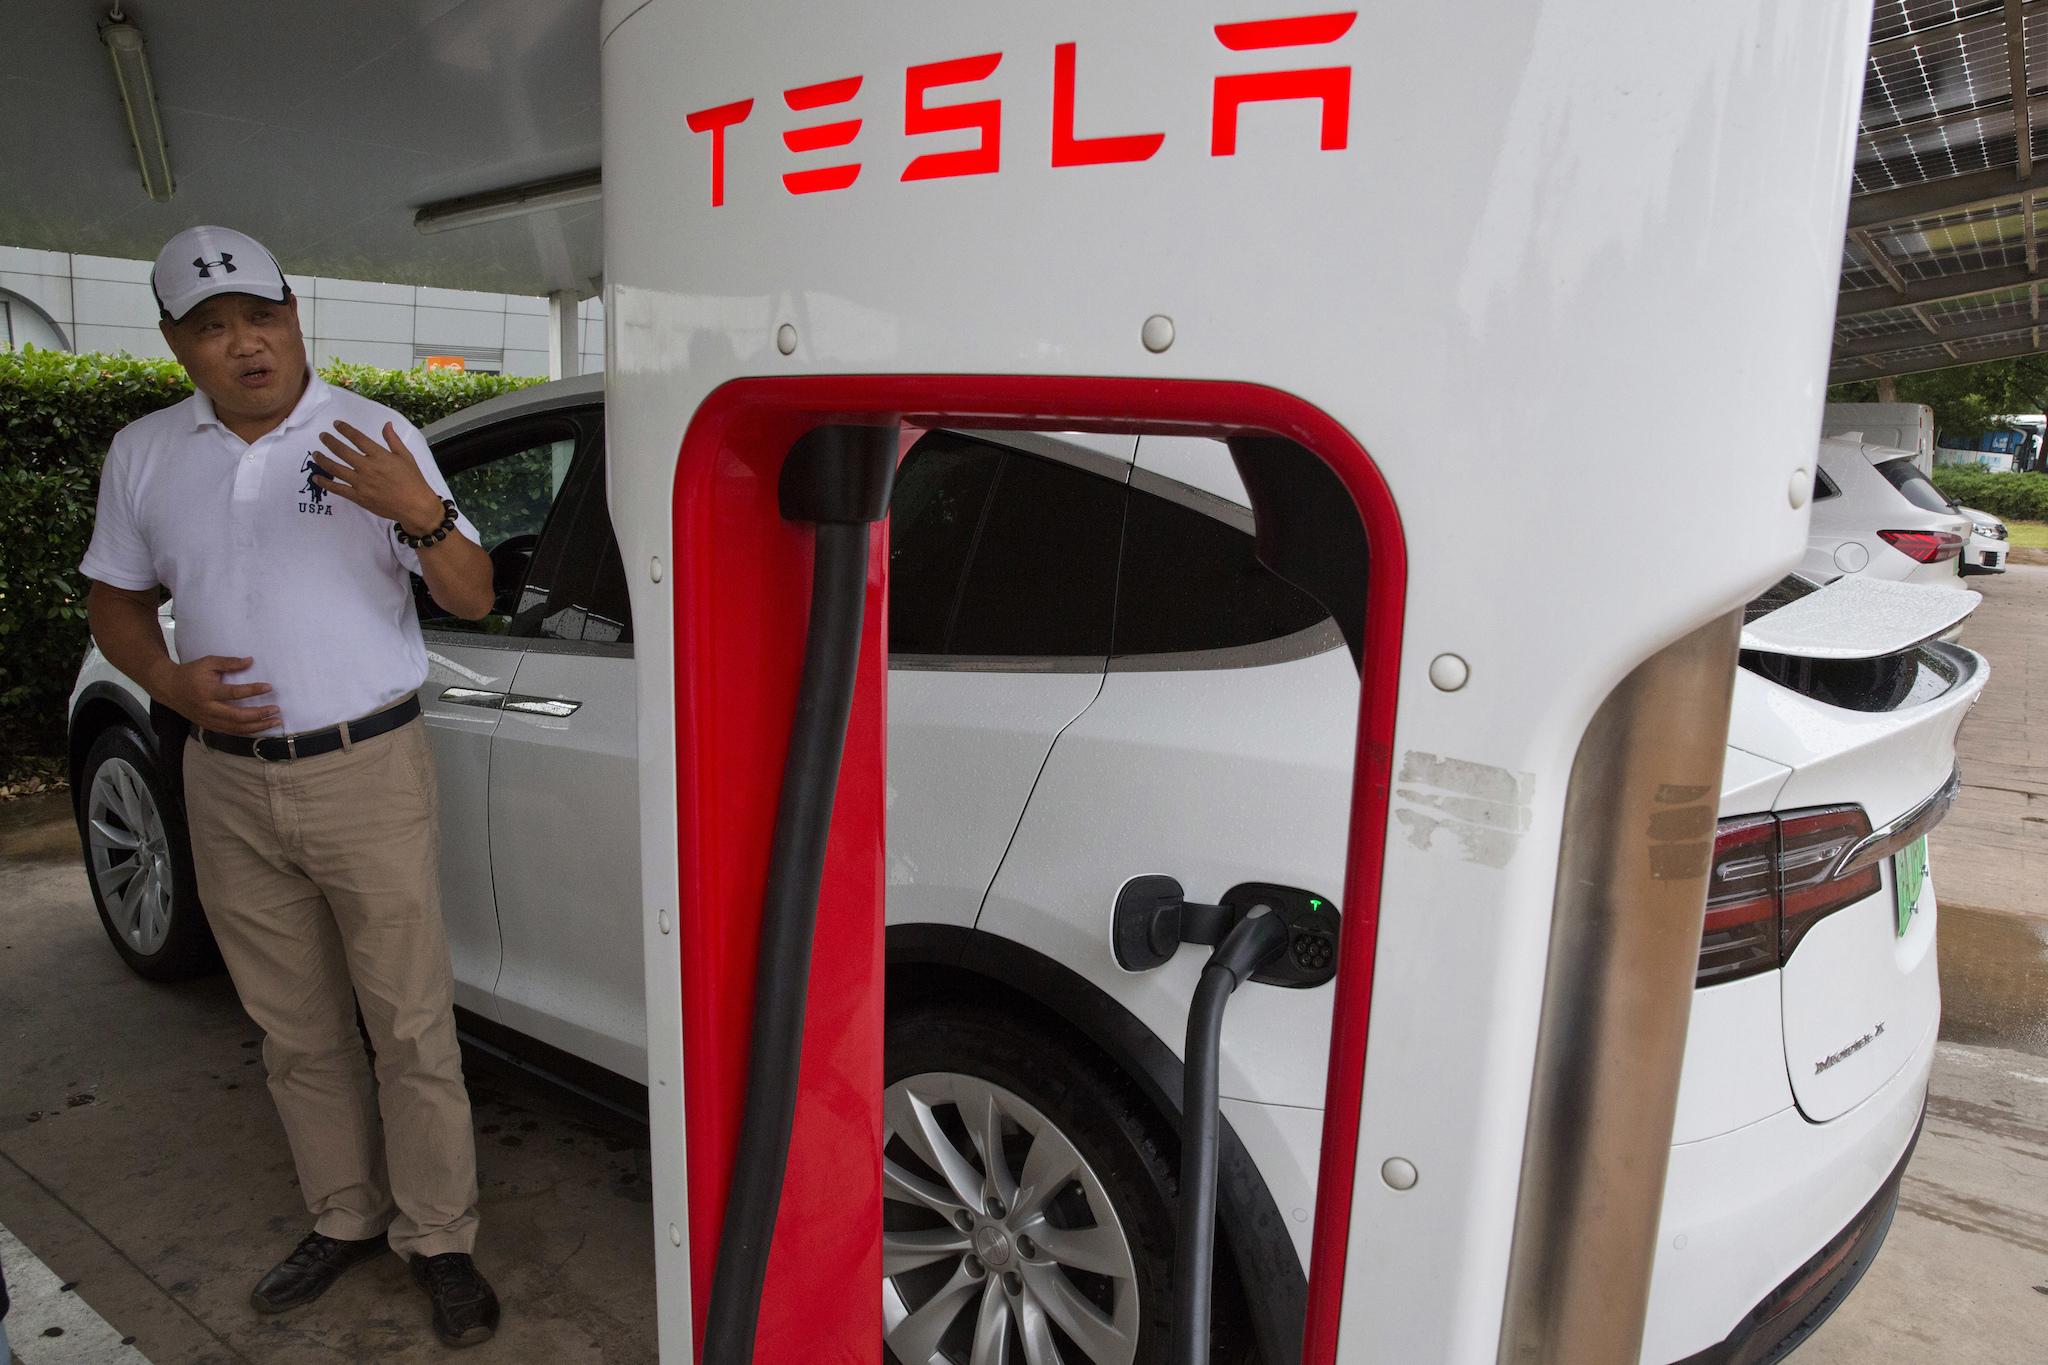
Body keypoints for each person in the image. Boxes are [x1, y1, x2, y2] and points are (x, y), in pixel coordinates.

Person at [80, 226, 503, 1348]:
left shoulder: (376, 431)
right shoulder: (146, 454)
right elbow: (113, 599)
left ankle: (439, 1237)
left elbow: (468, 594)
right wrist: (169, 680)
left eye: (261, 317)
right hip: (225, 781)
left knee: (409, 1023)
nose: (246, 345)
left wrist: (420, 510)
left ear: (294, 313)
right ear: (177, 344)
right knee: (293, 1028)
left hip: (368, 769)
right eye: (212, 329)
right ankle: (345, 1216)